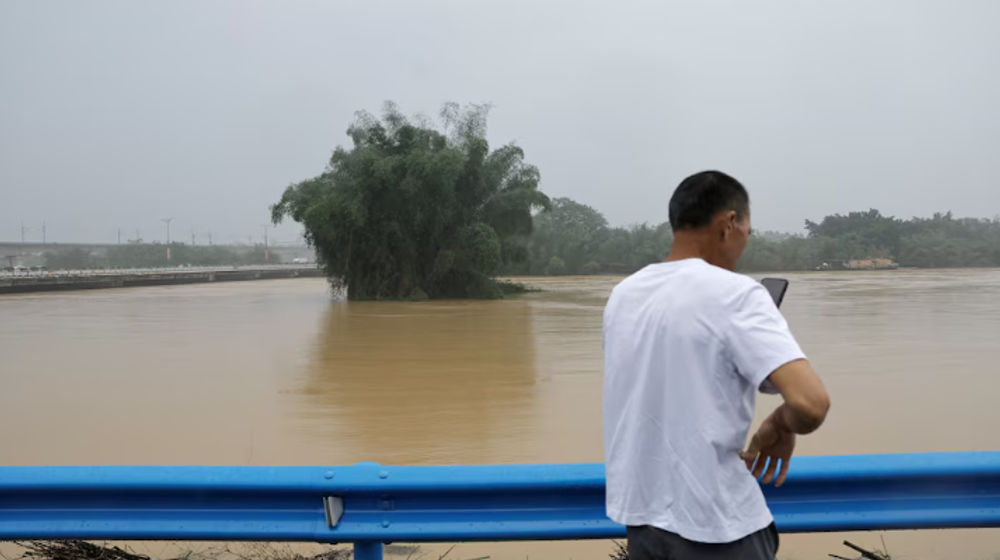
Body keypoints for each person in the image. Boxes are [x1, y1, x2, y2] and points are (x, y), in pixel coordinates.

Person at [602, 170, 831, 559]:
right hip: (717, 527)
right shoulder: (737, 293)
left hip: (643, 522)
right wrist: (779, 423)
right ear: (729, 223)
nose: (744, 242)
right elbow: (811, 404)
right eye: (747, 231)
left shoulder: (624, 294)